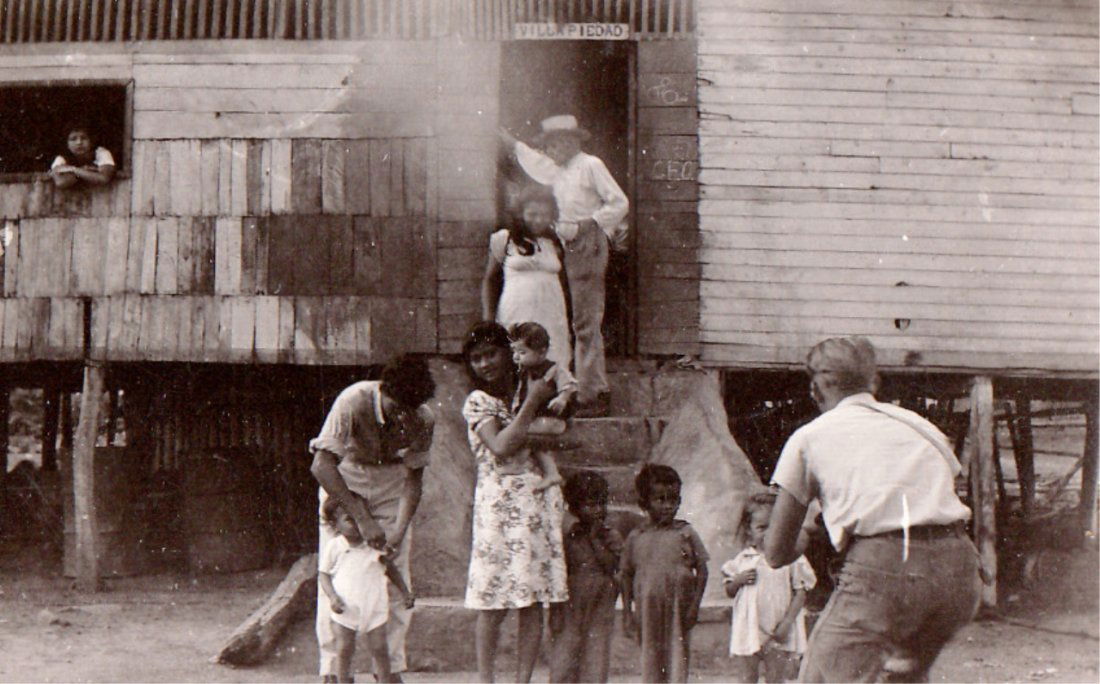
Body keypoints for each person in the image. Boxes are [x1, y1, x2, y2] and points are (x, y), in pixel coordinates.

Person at [765, 336, 981, 683]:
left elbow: (775, 554)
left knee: (820, 676)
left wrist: (809, 529)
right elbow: (937, 490)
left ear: (816, 388)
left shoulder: (809, 437)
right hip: (958, 570)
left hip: (886, 571)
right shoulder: (921, 426)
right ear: (874, 382)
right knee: (903, 678)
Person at [309, 354, 436, 682]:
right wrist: (360, 516)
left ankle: (390, 669)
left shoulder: (424, 418)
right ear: (384, 390)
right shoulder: (354, 399)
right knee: (336, 574)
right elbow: (322, 465)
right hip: (344, 478)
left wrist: (398, 530)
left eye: (410, 411)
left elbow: (414, 480)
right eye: (397, 409)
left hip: (391, 483)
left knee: (394, 572)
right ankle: (333, 670)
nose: (403, 418)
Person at [500, 115, 629, 416]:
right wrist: (506, 139)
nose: (556, 148)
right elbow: (530, 158)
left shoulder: (590, 165)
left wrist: (590, 225)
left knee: (585, 321)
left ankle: (594, 392)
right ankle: (564, 387)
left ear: (575, 141)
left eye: (562, 141)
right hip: (562, 243)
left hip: (587, 242)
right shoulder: (555, 168)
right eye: (551, 144)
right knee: (561, 315)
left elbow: (619, 202)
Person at [461, 321, 568, 683]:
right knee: (492, 598)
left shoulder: (524, 391)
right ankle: (486, 680)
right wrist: (533, 407)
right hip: (499, 508)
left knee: (532, 597)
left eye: (491, 354)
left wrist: (535, 405)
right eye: (476, 359)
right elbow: (502, 446)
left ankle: (522, 680)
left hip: (536, 502)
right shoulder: (479, 402)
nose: (485, 364)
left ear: (509, 353)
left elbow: (558, 432)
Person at [621, 464, 709, 683]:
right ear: (644, 503)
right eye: (660, 499)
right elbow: (625, 574)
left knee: (677, 655)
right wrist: (626, 612)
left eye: (674, 499)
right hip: (647, 609)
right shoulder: (636, 536)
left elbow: (703, 570)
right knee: (650, 656)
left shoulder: (685, 532)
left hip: (679, 607)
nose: (668, 506)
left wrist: (694, 606)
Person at [318, 496, 415, 684]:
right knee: (344, 649)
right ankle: (342, 680)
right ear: (335, 525)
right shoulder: (335, 547)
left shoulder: (374, 544)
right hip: (346, 608)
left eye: (362, 517)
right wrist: (332, 597)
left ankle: (385, 680)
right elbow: (324, 575)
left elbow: (390, 569)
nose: (357, 524)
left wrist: (405, 592)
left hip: (374, 607)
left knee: (379, 648)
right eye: (349, 519)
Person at [724, 491, 816, 683]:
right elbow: (730, 590)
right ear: (749, 530)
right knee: (747, 677)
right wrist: (739, 580)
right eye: (762, 527)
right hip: (750, 628)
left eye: (775, 526)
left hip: (779, 628)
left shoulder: (790, 557)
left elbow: (801, 591)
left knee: (776, 677)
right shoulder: (744, 559)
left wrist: (787, 623)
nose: (769, 533)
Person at [482, 183, 572, 371]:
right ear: (521, 213)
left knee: (552, 365)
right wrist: (488, 320)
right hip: (516, 311)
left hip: (551, 314)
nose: (538, 220)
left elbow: (564, 283)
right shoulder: (504, 239)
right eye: (532, 214)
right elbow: (490, 280)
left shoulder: (556, 242)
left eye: (545, 215)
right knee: (517, 362)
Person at [548, 470, 624, 684]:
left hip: (601, 600)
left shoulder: (610, 535)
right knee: (565, 653)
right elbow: (557, 571)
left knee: (596, 655)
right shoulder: (565, 533)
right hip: (569, 601)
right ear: (574, 507)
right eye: (590, 505)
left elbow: (611, 566)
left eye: (602, 504)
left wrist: (595, 539)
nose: (598, 510)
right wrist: (554, 610)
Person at [49, 122, 116, 189]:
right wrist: (84, 171)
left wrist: (74, 170)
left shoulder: (101, 153)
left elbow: (104, 178)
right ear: (67, 144)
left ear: (91, 141)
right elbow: (61, 182)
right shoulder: (61, 158)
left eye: (84, 138)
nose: (79, 142)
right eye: (73, 139)